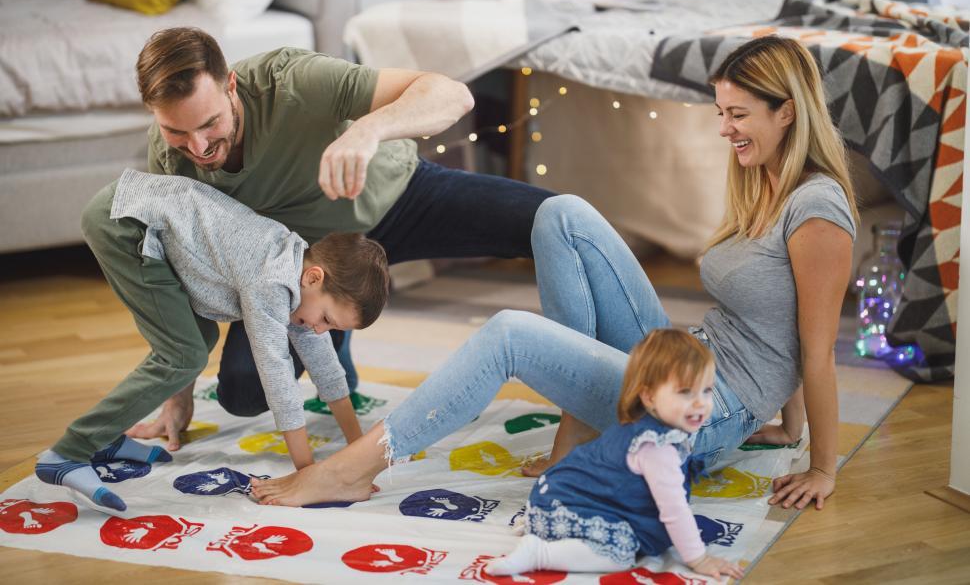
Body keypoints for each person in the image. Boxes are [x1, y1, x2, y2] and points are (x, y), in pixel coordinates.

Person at [250, 35, 858, 514]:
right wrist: (786, 425)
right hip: (686, 362)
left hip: (704, 416)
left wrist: (821, 466)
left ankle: (352, 470)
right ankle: (576, 434)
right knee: (560, 214)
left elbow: (817, 346)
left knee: (511, 333)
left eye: (739, 114)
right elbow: (777, 314)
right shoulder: (767, 186)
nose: (724, 129)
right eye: (722, 111)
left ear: (788, 113)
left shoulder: (818, 209)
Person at [122, 27, 554, 450]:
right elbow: (176, 277)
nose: (197, 146)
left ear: (230, 85)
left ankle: (614, 379)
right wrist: (176, 396)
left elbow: (452, 95)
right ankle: (330, 322)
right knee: (242, 394)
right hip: (306, 264)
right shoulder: (168, 162)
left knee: (551, 221)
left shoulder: (291, 81)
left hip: (397, 200)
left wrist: (366, 130)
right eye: (176, 131)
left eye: (210, 123)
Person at [35, 169, 389, 511]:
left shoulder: (298, 278)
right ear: (314, 278)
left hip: (140, 218)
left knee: (197, 340)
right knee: (182, 356)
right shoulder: (272, 280)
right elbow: (278, 377)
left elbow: (325, 366)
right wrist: (309, 473)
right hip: (127, 221)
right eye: (326, 319)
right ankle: (68, 452)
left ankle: (102, 437)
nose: (319, 330)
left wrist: (358, 454)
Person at [484, 329, 743, 580]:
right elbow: (673, 509)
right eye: (685, 392)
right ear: (649, 396)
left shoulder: (647, 426)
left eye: (707, 390)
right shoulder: (656, 447)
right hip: (565, 506)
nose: (701, 403)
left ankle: (547, 530)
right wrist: (699, 558)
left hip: (554, 498)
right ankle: (540, 553)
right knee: (620, 554)